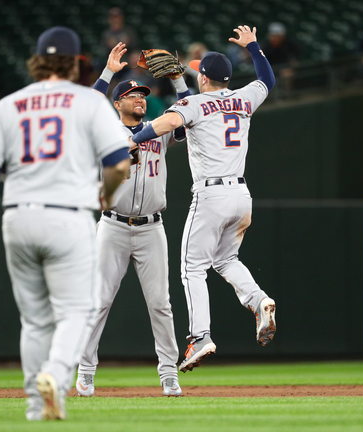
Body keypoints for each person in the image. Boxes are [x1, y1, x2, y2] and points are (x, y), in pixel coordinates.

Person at [0, 26, 131, 421]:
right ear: (77, 62)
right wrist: (107, 194)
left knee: (34, 320)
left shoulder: (8, 106)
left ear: (37, 59)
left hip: (17, 218)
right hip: (67, 217)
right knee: (78, 310)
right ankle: (55, 375)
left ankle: (35, 405)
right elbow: (119, 163)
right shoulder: (88, 102)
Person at [129, 25, 277, 373]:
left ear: (206, 78)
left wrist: (135, 137)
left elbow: (169, 123)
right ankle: (259, 302)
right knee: (225, 260)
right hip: (242, 195)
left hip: (211, 195)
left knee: (192, 267)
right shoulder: (245, 97)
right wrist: (254, 47)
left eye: (198, 73)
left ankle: (200, 336)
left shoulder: (193, 102)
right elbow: (267, 79)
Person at [75, 42, 190, 398]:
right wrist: (109, 72)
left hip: (152, 227)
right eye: (132, 95)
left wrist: (179, 80)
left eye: (142, 94)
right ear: (117, 102)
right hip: (112, 226)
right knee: (99, 301)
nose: (140, 98)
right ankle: (86, 371)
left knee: (161, 303)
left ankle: (169, 374)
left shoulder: (159, 127)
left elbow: (190, 113)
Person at [100, 7, 138, 78]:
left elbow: (134, 47)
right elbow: (103, 50)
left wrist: (127, 44)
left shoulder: (128, 31)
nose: (115, 19)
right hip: (112, 65)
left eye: (117, 16)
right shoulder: (107, 33)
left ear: (121, 18)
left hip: (127, 65)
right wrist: (110, 46)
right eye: (113, 17)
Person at [261, 22, 300, 89]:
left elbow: (297, 54)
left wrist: (293, 62)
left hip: (285, 67)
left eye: (278, 36)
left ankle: (287, 94)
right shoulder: (266, 46)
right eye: (273, 36)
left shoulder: (288, 43)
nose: (275, 38)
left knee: (287, 74)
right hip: (270, 69)